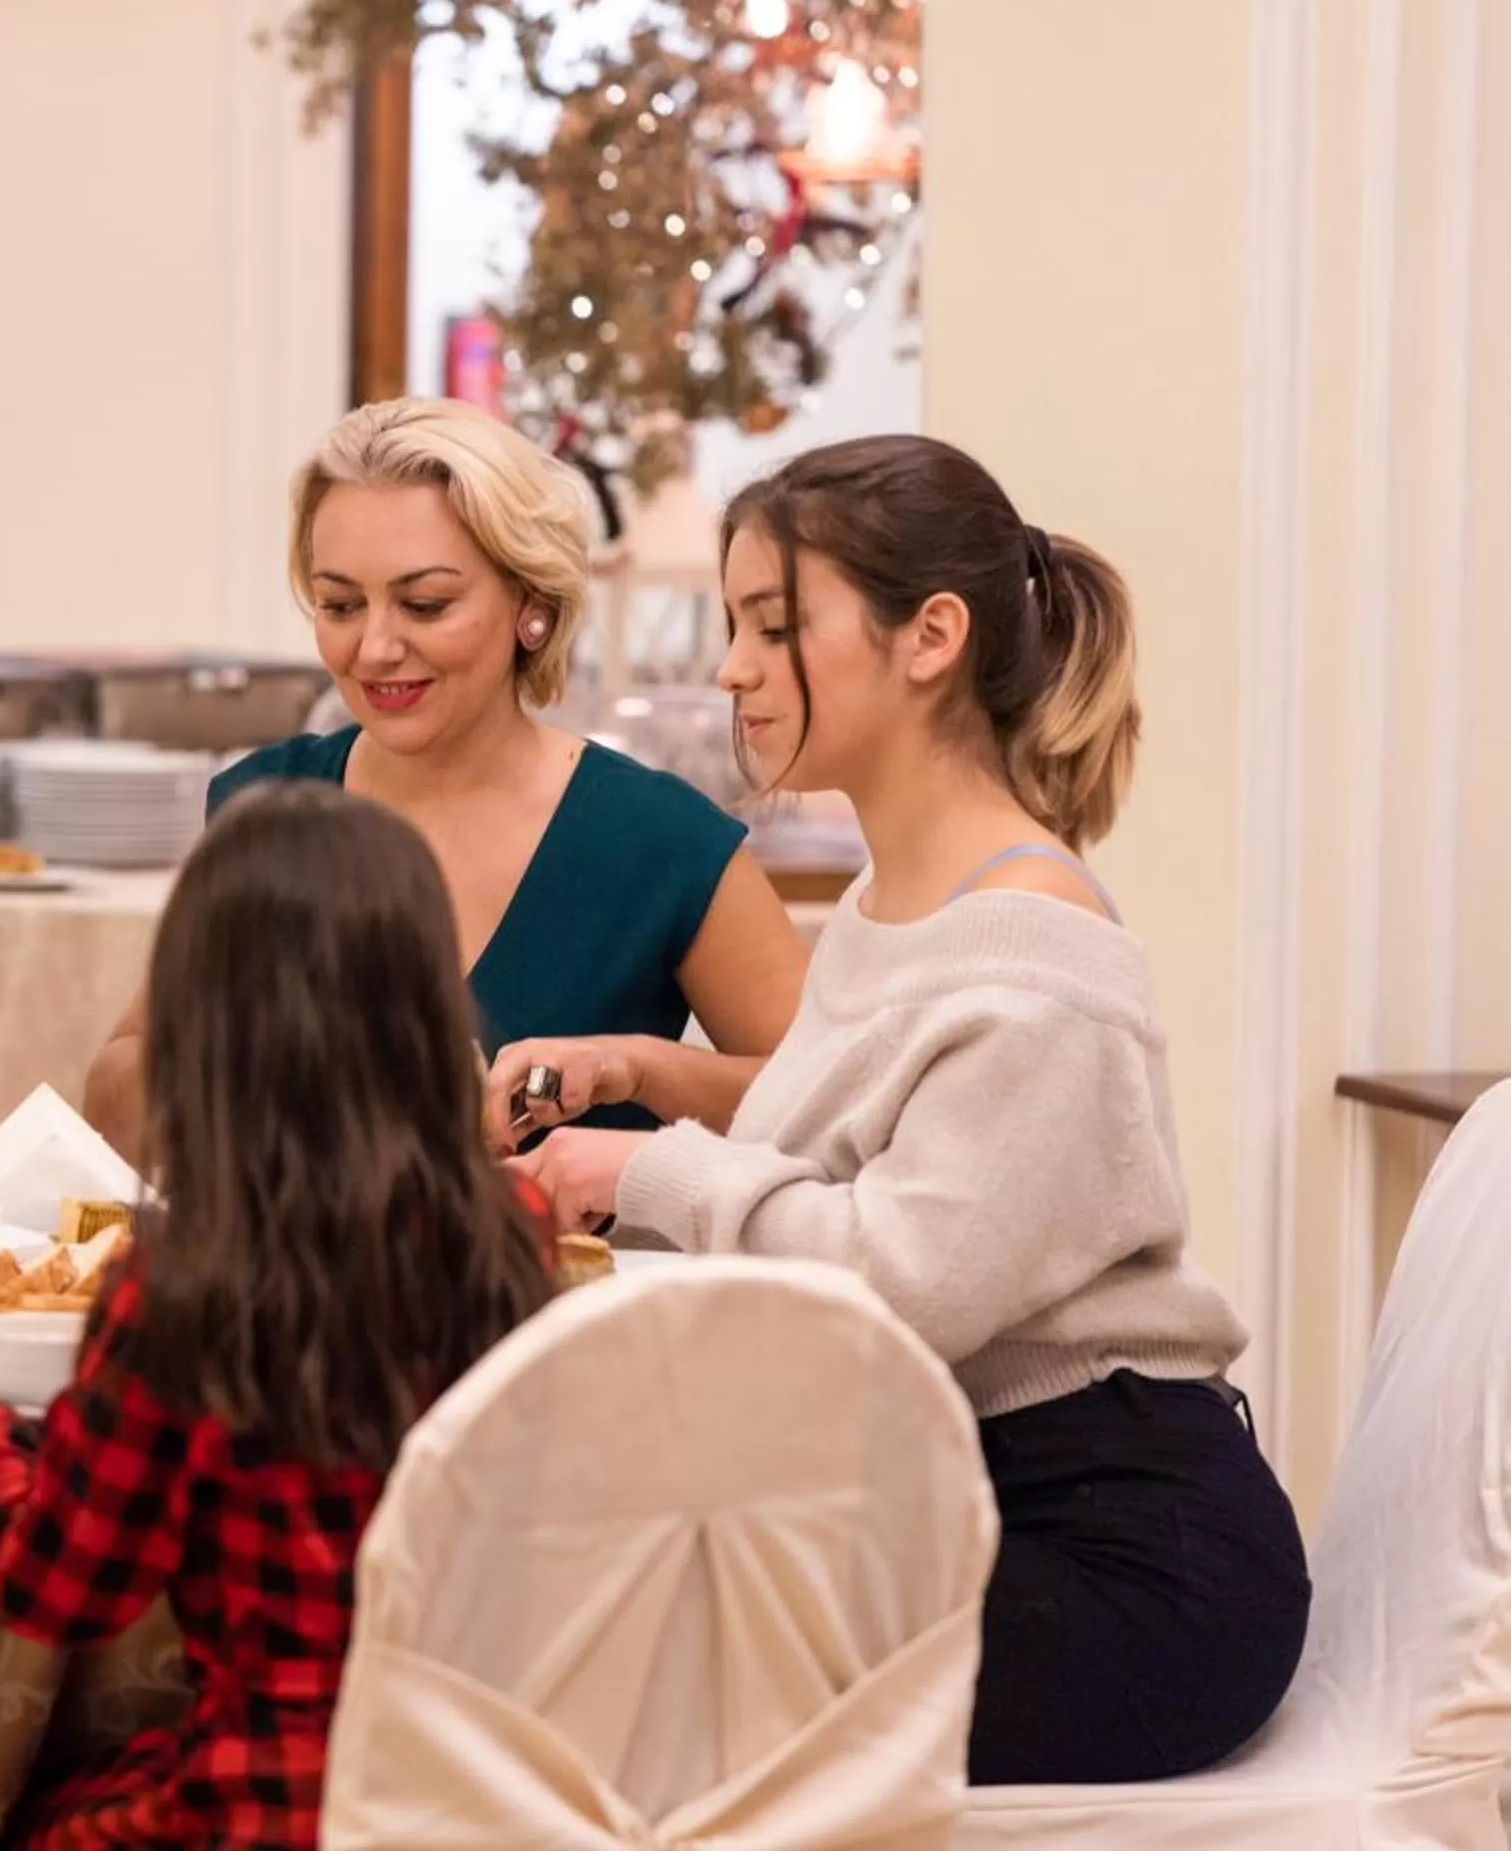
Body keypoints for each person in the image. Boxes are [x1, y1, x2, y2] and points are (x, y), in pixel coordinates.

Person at [517, 435, 1308, 1785]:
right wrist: (636, 1072)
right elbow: (860, 1127)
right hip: (974, 1503)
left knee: (614, 1673)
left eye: (777, 626)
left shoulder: (1039, 952)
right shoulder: (908, 906)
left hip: (1125, 1568)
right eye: (733, 627)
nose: (731, 669)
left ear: (928, 635)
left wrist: (645, 1175)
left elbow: (904, 1280)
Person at [0, 781, 553, 1848]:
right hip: (482, 1786)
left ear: (205, 1026)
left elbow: (63, 1583)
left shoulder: (189, 1280)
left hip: (269, 1800)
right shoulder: (515, 1228)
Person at [81, 398, 803, 1171]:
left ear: (531, 604)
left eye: (425, 604)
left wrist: (635, 1071)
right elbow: (115, 1106)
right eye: (340, 605)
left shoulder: (658, 841)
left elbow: (823, 1107)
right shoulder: (265, 808)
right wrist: (267, 1069)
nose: (376, 646)